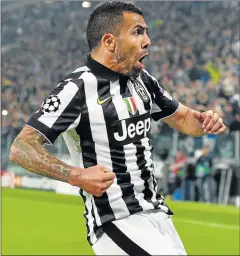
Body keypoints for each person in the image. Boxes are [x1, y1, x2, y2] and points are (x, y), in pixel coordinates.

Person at [9, 2, 227, 255]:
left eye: (145, 32)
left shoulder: (144, 81)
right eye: (138, 32)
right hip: (116, 220)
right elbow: (21, 147)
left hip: (158, 216)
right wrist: (75, 175)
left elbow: (183, 119)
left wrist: (207, 121)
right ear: (110, 42)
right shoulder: (77, 88)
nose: (148, 41)